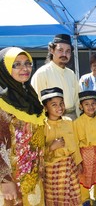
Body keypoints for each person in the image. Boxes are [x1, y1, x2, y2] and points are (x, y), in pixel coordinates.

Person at [0, 47, 46, 205]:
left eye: (27, 63)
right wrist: (4, 180)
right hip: (11, 181)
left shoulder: (30, 96)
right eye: (17, 64)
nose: (25, 68)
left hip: (33, 177)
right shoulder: (1, 102)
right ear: (4, 68)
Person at [41, 87, 82, 205]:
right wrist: (52, 147)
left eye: (61, 103)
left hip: (70, 166)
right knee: (55, 200)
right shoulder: (42, 126)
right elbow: (37, 151)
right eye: (54, 104)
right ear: (45, 108)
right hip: (52, 170)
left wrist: (78, 162)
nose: (59, 107)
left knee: (73, 196)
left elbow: (75, 143)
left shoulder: (69, 122)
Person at [31, 34, 80, 120]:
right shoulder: (42, 73)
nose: (64, 54)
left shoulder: (71, 74)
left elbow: (77, 101)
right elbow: (36, 103)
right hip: (51, 122)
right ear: (51, 50)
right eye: (60, 50)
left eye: (68, 51)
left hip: (73, 120)